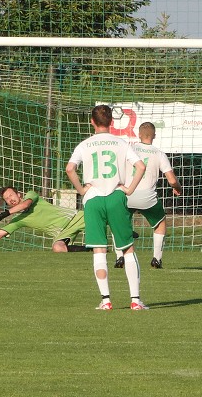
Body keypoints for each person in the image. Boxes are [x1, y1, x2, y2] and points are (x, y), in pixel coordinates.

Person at [66, 104, 148, 311]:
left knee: (99, 250)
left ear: (92, 122)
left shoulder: (84, 145)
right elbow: (141, 166)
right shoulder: (122, 143)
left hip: (93, 199)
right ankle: (135, 301)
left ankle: (106, 301)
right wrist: (129, 189)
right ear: (112, 122)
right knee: (127, 248)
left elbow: (70, 169)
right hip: (115, 197)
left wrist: (82, 190)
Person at [114, 121, 183, 269]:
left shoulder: (128, 149)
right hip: (147, 198)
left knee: (117, 222)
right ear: (154, 136)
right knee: (160, 223)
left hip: (127, 194)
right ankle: (156, 259)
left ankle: (120, 257)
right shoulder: (159, 154)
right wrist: (178, 187)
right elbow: (171, 180)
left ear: (138, 134)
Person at [0, 186, 90, 253]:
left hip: (74, 217)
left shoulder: (31, 195)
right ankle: (90, 250)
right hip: (62, 232)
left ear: (19, 194)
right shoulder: (19, 219)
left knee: (103, 219)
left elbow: (25, 204)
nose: (11, 199)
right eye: (7, 199)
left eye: (11, 195)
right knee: (57, 248)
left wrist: (3, 214)